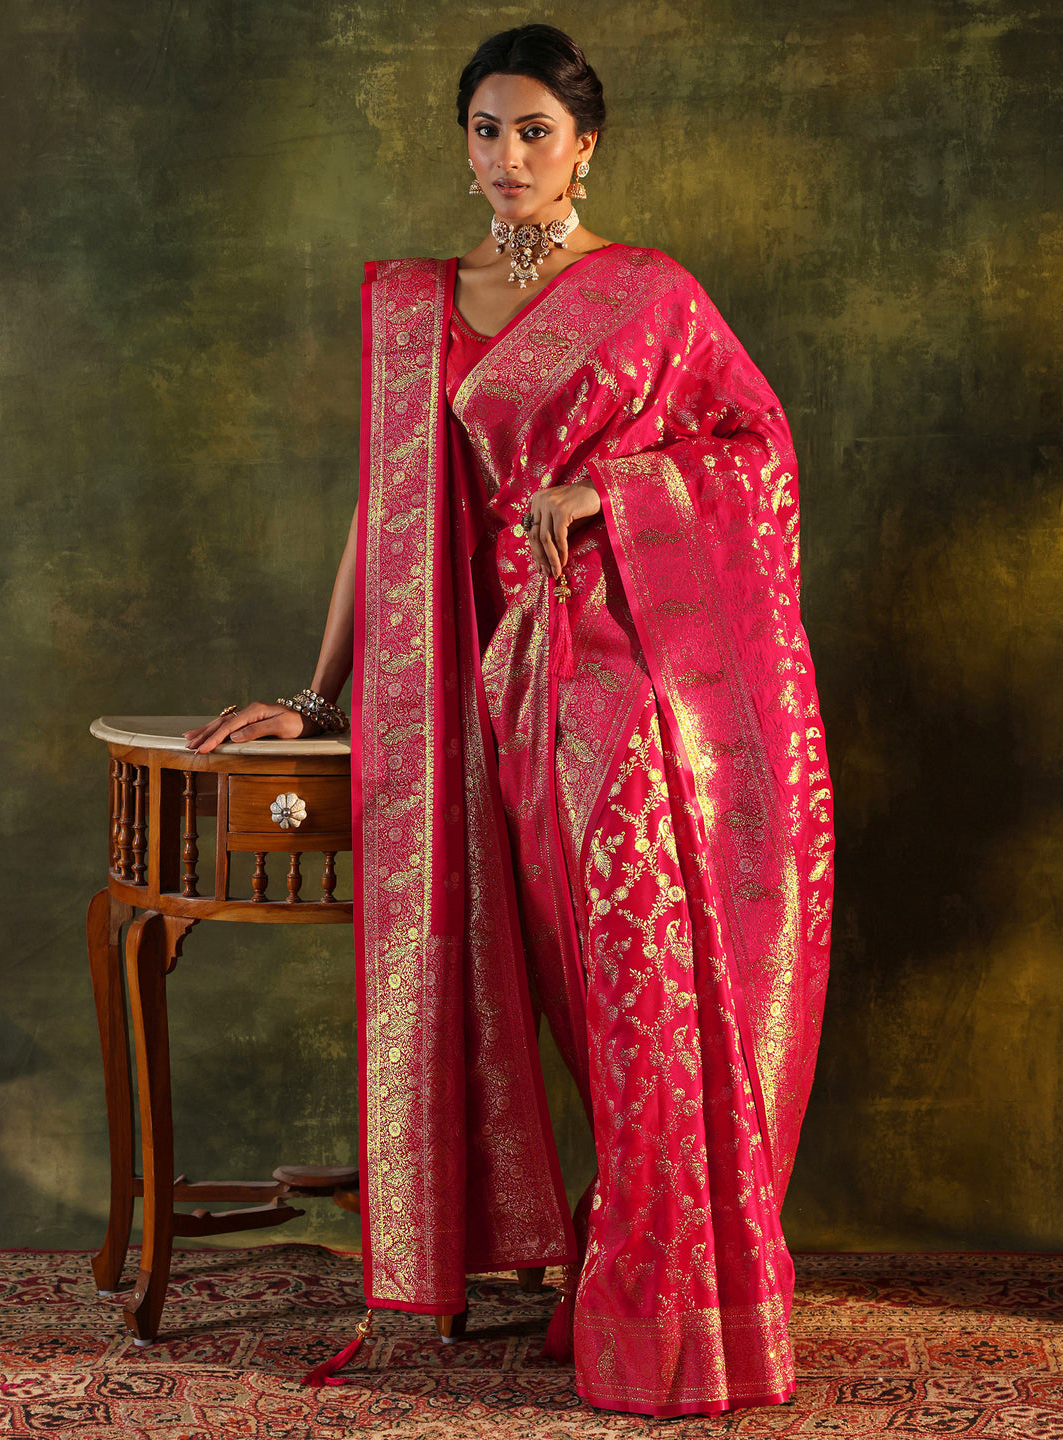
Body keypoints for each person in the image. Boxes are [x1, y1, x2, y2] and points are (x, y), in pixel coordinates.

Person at [184, 23, 833, 1419]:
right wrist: (321, 694)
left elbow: (757, 454)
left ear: (587, 145)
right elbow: (390, 507)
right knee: (557, 992)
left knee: (647, 991)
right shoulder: (424, 303)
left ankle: (668, 1312)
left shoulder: (649, 291)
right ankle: (595, 1267)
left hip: (632, 685)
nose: (509, 159)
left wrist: (616, 493)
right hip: (489, 697)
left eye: (536, 132)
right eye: (487, 130)